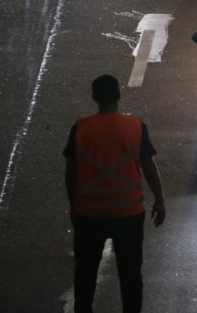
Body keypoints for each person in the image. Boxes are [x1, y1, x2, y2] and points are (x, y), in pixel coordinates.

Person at [64, 74, 166, 313]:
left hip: (89, 214)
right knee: (130, 276)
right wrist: (159, 200)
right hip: (128, 214)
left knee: (85, 276)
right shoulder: (135, 128)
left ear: (94, 97)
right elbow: (149, 167)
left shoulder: (80, 129)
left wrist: (74, 205)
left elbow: (71, 172)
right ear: (118, 96)